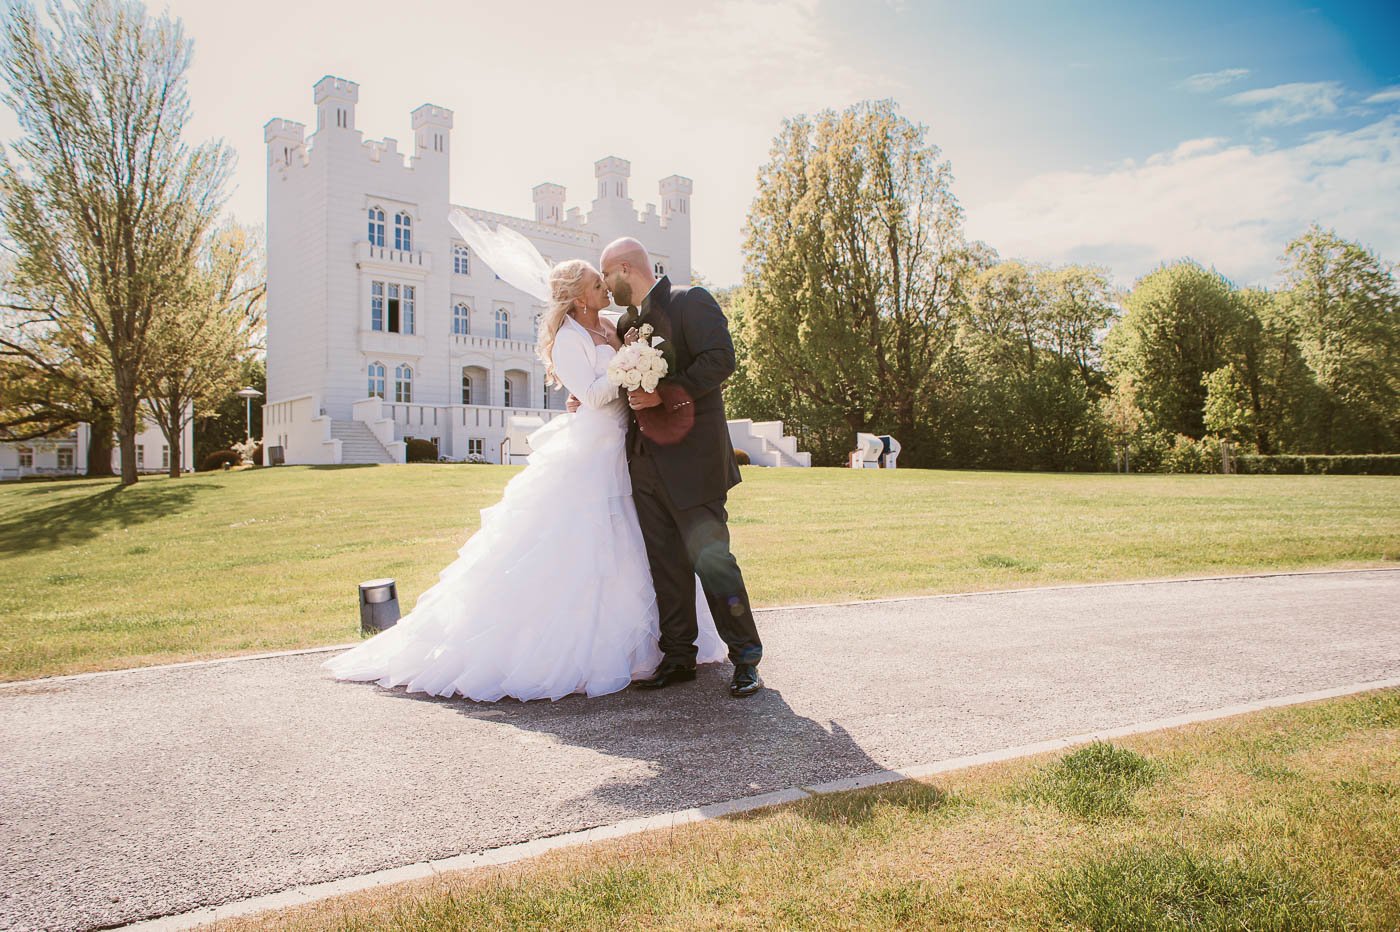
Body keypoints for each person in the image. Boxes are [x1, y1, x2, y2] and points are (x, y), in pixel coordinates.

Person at [324, 259, 726, 702]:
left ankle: (662, 646)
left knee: (639, 546)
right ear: (579, 298)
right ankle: (577, 651)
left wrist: (629, 357)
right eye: (597, 284)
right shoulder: (567, 340)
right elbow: (591, 395)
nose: (605, 289)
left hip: (628, 448)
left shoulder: (613, 324)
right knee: (585, 544)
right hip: (594, 449)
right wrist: (627, 370)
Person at [598, 237, 764, 698]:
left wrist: (666, 394)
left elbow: (721, 360)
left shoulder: (690, 300)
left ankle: (746, 656)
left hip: (694, 462)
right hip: (645, 463)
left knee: (714, 564)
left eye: (607, 277)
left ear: (626, 268)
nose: (607, 289)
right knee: (665, 565)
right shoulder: (628, 323)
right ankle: (678, 657)